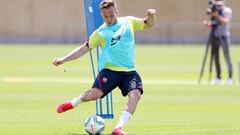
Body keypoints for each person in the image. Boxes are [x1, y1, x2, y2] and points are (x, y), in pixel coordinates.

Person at [52, 0, 156, 134]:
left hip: (129, 71)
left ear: (116, 11)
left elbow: (148, 24)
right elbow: (83, 49)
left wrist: (151, 15)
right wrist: (63, 59)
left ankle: (118, 128)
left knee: (135, 95)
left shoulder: (128, 21)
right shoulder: (100, 32)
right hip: (109, 71)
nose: (109, 18)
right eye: (105, 16)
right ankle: (73, 103)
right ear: (102, 15)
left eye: (111, 15)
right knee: (94, 95)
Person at [203, 0, 233, 85]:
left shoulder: (227, 11)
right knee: (216, 57)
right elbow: (214, 25)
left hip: (224, 36)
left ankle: (230, 77)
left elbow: (225, 22)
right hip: (215, 36)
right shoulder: (214, 11)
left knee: (227, 56)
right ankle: (218, 77)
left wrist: (217, 15)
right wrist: (208, 24)